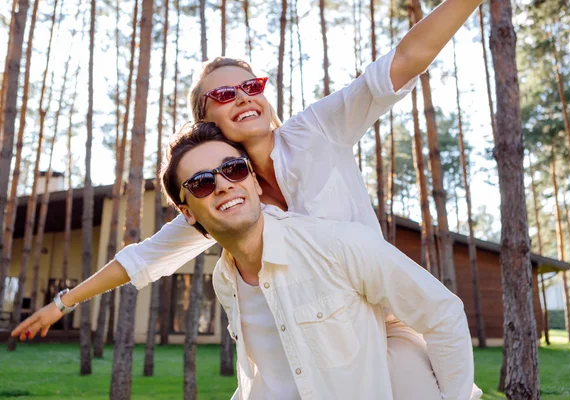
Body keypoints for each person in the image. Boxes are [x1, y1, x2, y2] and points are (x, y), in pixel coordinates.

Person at [12, 1, 484, 398]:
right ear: (206, 118)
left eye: (252, 85)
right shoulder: (219, 194)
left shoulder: (319, 128)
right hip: (309, 337)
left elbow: (405, 59)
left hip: (388, 319)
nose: (243, 95)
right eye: (224, 92)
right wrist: (62, 304)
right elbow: (142, 259)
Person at [164, 122, 476, 399]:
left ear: (255, 183)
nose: (223, 184)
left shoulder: (337, 244)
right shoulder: (224, 279)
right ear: (188, 212)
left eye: (234, 168)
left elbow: (441, 313)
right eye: (202, 183)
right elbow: (272, 373)